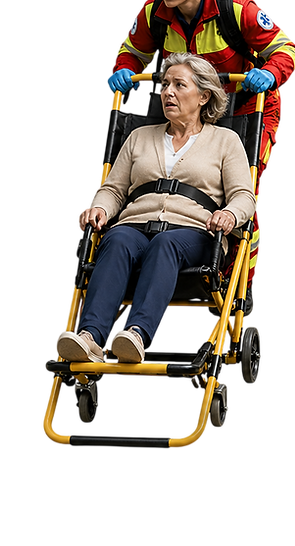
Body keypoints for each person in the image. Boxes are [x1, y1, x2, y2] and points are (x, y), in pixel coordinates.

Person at [105, 0, 295, 285]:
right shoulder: (153, 12)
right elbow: (129, 52)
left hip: (247, 108)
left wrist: (270, 72)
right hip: (185, 109)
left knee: (243, 196)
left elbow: (289, 50)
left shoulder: (236, 7)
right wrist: (122, 71)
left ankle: (239, 285)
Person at [55, 53, 256, 364]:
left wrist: (229, 214)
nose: (168, 92)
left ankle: (135, 334)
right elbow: (113, 189)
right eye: (164, 85)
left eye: (179, 85)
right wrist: (99, 209)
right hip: (136, 224)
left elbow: (244, 195)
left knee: (165, 243)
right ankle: (90, 337)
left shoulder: (225, 141)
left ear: (203, 96)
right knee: (117, 239)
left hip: (194, 232)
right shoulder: (138, 137)